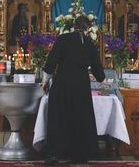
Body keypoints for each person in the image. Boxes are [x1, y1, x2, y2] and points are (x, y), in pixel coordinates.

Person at [42, 15, 105, 165]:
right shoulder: (90, 43)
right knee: (80, 118)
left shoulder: (63, 39)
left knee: (59, 117)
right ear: (87, 28)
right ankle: (80, 154)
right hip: (81, 86)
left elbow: (51, 63)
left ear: (74, 25)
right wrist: (102, 79)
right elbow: (99, 74)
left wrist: (45, 81)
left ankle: (54, 153)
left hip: (62, 83)